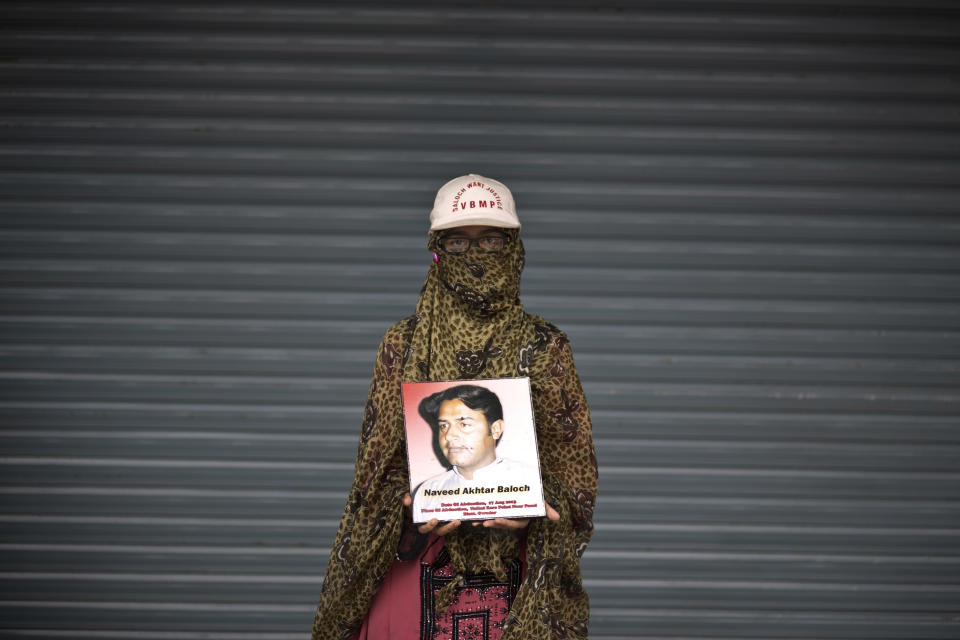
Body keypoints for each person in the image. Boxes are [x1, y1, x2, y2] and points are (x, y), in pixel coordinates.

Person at [312, 174, 598, 640]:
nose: (476, 255)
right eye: (458, 241)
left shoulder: (544, 347)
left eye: (490, 240)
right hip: (414, 566)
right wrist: (408, 506)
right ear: (436, 250)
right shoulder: (401, 346)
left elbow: (574, 480)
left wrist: (530, 507)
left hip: (517, 578)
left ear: (513, 248)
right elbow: (371, 479)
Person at [411, 384, 544, 523]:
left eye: (464, 424)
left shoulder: (532, 481)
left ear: (496, 429)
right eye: (443, 426)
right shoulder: (427, 492)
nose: (449, 436)